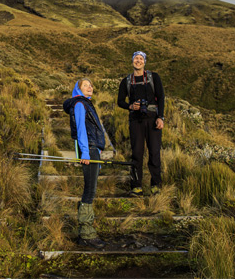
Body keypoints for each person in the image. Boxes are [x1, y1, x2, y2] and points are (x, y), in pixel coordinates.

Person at [62, 79, 110, 245]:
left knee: (91, 188)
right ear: (78, 89)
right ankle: (86, 233)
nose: (90, 87)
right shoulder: (80, 104)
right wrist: (85, 152)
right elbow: (81, 129)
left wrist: (99, 148)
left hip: (93, 149)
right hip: (88, 149)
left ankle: (85, 231)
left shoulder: (86, 104)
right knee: (89, 189)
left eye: (90, 85)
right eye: (85, 85)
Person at [116, 50, 164, 195]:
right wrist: (130, 106)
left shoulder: (153, 77)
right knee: (137, 153)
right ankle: (136, 186)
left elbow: (161, 97)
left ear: (144, 62)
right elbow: (120, 101)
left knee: (154, 152)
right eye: (135, 58)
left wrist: (160, 117)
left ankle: (156, 185)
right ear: (132, 61)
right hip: (135, 120)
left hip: (152, 119)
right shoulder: (126, 81)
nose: (138, 61)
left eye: (140, 58)